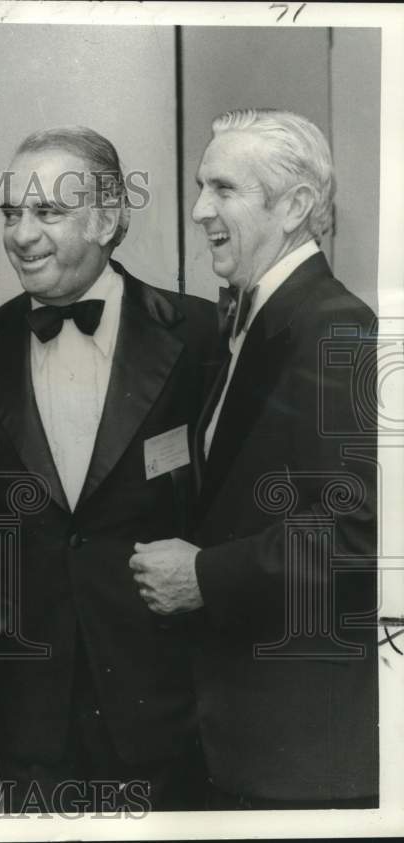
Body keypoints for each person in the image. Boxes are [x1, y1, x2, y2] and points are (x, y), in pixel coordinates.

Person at [0, 127, 217, 813]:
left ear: (106, 219)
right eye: (11, 213)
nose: (19, 235)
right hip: (29, 713)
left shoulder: (198, 337)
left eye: (47, 212)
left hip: (164, 704)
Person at [129, 109, 378, 809]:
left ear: (296, 206)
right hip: (239, 736)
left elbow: (359, 535)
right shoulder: (257, 317)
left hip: (297, 754)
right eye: (202, 186)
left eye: (224, 189)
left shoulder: (335, 325)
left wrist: (205, 574)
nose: (201, 208)